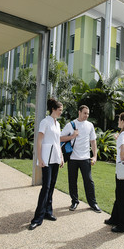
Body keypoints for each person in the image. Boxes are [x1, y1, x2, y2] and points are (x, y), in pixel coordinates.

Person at [29, 98, 64, 230]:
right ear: (53, 109)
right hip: (46, 159)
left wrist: (61, 157)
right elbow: (39, 141)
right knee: (46, 187)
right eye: (60, 110)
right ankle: (37, 218)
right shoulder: (45, 122)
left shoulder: (57, 124)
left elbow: (57, 141)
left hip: (55, 158)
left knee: (52, 185)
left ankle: (48, 212)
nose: (61, 112)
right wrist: (39, 158)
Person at [60, 105, 101, 213]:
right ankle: (74, 201)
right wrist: (72, 136)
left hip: (85, 158)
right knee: (72, 181)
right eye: (85, 113)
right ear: (79, 112)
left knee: (89, 181)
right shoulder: (71, 125)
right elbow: (60, 138)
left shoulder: (90, 125)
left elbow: (93, 141)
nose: (86, 115)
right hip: (73, 158)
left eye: (88, 113)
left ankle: (93, 203)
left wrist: (95, 156)